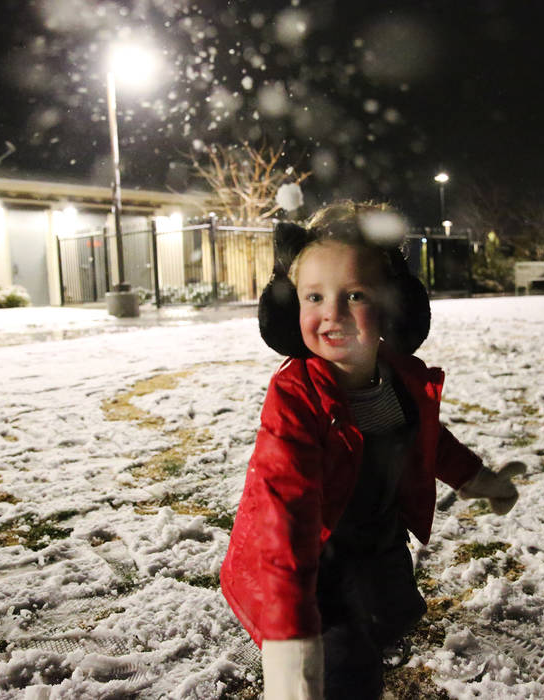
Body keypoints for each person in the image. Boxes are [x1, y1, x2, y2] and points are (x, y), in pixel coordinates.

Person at [220, 201, 519, 699]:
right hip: (311, 556)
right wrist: (291, 636)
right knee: (344, 663)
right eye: (313, 296)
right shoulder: (296, 398)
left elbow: (427, 440)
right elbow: (285, 510)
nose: (331, 314)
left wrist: (478, 480)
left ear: (393, 307)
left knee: (385, 618)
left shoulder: (398, 377)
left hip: (376, 536)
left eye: (354, 294)